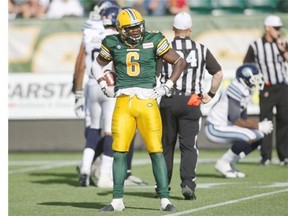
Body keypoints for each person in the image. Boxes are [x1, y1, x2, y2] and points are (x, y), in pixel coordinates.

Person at [91, 8, 186, 212]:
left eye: (137, 27)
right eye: (131, 28)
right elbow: (96, 65)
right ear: (121, 29)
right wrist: (103, 84)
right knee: (119, 151)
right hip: (123, 100)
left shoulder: (154, 39)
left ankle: (165, 199)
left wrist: (168, 85)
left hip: (147, 100)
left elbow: (179, 61)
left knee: (155, 150)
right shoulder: (111, 42)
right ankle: (117, 200)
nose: (136, 31)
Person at [72, 2, 147, 188]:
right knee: (110, 132)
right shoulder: (118, 38)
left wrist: (78, 94)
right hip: (111, 86)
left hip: (91, 84)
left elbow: (79, 66)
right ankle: (105, 176)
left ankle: (85, 168)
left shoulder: (89, 34)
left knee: (92, 130)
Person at [157, 12, 223, 200]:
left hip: (169, 99)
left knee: (166, 146)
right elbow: (218, 74)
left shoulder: (164, 48)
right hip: (192, 100)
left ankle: (162, 186)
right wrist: (210, 94)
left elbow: (155, 76)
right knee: (189, 146)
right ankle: (187, 184)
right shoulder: (201, 49)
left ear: (174, 29)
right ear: (190, 30)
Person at [205, 64, 274, 178]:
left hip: (225, 126)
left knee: (259, 136)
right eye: (254, 79)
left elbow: (243, 118)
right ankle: (223, 162)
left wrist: (258, 128)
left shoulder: (245, 90)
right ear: (245, 80)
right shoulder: (235, 89)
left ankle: (231, 163)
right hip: (214, 127)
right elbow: (236, 120)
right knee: (249, 136)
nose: (256, 82)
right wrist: (258, 125)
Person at [243, 15, 288, 166]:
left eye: (279, 28)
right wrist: (256, 79)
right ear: (267, 28)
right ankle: (266, 156)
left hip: (282, 87)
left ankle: (284, 156)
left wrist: (283, 51)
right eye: (276, 28)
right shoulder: (255, 46)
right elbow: (246, 66)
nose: (278, 31)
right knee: (266, 122)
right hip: (266, 88)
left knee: (284, 120)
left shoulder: (282, 44)